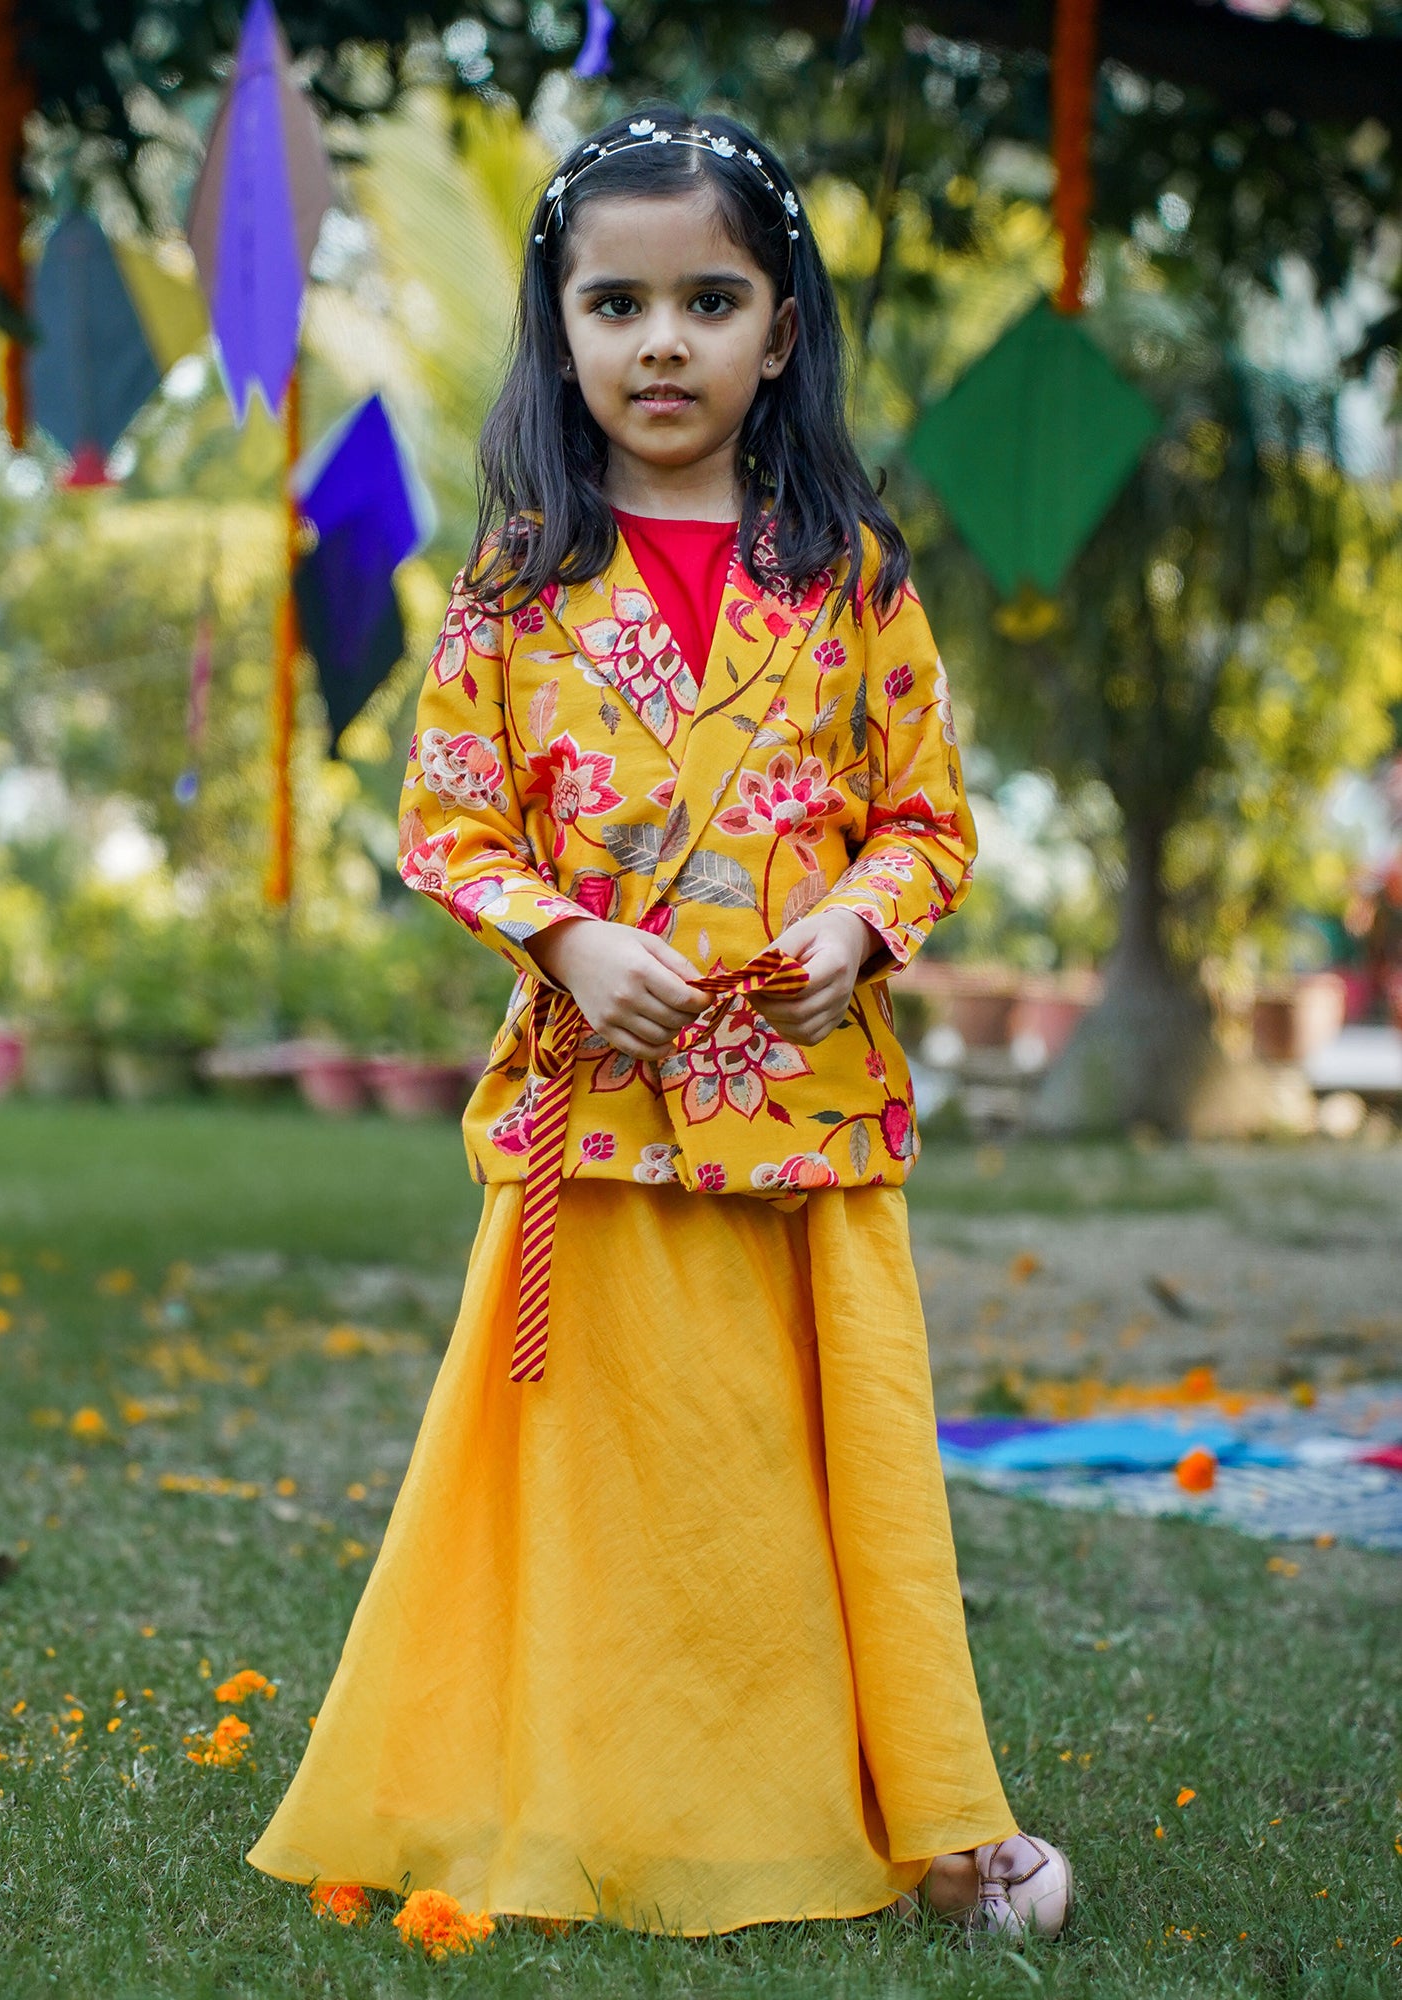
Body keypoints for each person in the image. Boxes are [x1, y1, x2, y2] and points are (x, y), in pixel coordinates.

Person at [246, 106, 1073, 1943]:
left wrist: (865, 925)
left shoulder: (852, 574)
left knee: (811, 1478)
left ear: (782, 327)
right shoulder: (521, 579)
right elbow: (448, 818)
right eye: (614, 305)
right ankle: (599, 1794)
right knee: (621, 1491)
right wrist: (565, 940)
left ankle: (910, 1811)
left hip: (807, 1115)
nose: (662, 342)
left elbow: (926, 818)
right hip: (600, 1126)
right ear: (559, 331)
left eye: (711, 299)